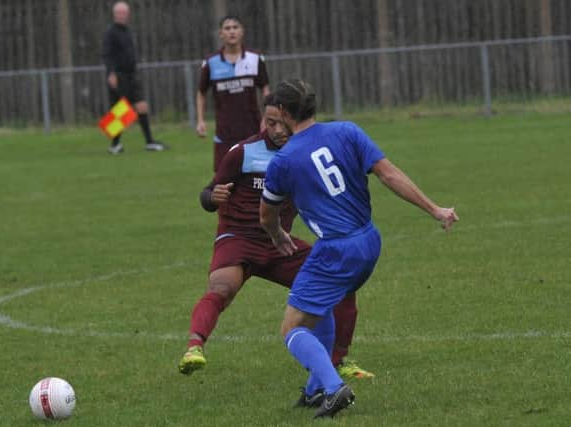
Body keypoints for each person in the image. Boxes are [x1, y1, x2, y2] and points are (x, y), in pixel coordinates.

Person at [260, 79, 459, 419]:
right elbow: (389, 174)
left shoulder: (285, 159)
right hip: (368, 241)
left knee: (292, 328)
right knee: (321, 307)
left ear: (286, 113)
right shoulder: (348, 131)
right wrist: (435, 209)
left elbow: (266, 214)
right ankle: (314, 389)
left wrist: (277, 234)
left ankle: (334, 387)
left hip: (335, 250)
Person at [178, 94, 372, 385]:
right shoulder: (242, 152)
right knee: (222, 287)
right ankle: (194, 347)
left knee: (341, 283)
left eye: (282, 123)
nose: (277, 130)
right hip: (238, 238)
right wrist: (212, 197)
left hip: (280, 243)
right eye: (270, 123)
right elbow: (208, 194)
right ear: (262, 120)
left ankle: (339, 360)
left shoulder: (302, 152)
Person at [196, 15, 270, 171]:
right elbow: (201, 92)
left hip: (253, 129)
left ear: (242, 31)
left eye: (235, 27)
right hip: (224, 132)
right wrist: (200, 120)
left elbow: (265, 88)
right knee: (223, 178)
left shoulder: (255, 58)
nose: (232, 32)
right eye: (227, 28)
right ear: (221, 34)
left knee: (256, 175)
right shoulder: (211, 62)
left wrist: (267, 118)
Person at [102, 1, 167, 154]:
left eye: (125, 13)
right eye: (119, 13)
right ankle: (115, 145)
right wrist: (111, 73)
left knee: (142, 105)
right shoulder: (111, 32)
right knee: (122, 110)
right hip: (119, 75)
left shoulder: (128, 31)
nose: (123, 16)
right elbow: (107, 54)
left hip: (132, 75)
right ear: (114, 15)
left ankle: (149, 142)